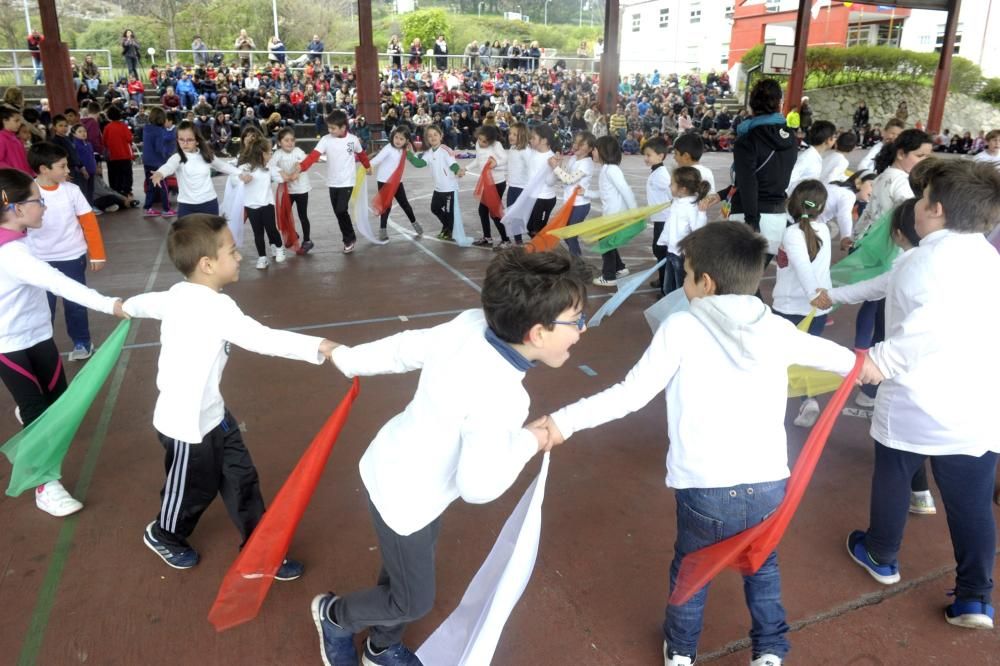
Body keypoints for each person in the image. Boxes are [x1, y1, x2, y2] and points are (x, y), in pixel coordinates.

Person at [539, 221, 857, 666]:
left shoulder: (681, 328)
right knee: (761, 568)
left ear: (705, 283)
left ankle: (682, 651)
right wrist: (875, 366)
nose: (684, 284)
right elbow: (847, 362)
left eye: (686, 275)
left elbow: (630, 394)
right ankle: (769, 651)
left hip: (704, 486)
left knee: (693, 568)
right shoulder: (776, 329)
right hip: (769, 484)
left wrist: (562, 421)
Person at [311, 247, 588, 666]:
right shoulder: (503, 396)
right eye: (576, 321)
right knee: (413, 601)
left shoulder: (473, 324)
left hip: (402, 470)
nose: (582, 330)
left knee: (402, 575)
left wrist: (348, 358)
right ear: (537, 333)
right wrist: (529, 440)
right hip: (406, 495)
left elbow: (405, 348)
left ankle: (380, 646)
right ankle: (335, 617)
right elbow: (478, 487)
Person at [122, 214, 336, 572]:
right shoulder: (214, 307)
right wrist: (321, 346)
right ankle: (164, 533)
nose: (240, 257)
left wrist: (124, 306)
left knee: (242, 478)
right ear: (207, 265)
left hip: (215, 415)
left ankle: (260, 548)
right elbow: (263, 338)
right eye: (232, 251)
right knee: (193, 490)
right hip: (185, 425)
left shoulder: (180, 293)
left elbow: (147, 303)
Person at [847, 159, 1000, 630]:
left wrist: (879, 363)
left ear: (933, 209)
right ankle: (975, 597)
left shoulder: (924, 260)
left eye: (922, 197)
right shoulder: (987, 257)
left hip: (916, 400)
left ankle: (881, 552)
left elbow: (930, 328)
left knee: (894, 471)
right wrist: (832, 293)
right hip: (976, 404)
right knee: (971, 501)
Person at [0, 167, 125, 516]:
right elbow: (61, 284)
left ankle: (32, 414)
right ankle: (44, 483)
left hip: (38, 334)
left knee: (57, 402)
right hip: (7, 344)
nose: (44, 206)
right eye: (38, 201)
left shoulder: (19, 238)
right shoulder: (12, 254)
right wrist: (110, 305)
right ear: (16, 209)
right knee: (38, 412)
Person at [812, 198, 937, 515]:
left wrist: (831, 296)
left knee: (898, 446)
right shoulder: (955, 262)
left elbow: (870, 288)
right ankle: (921, 492)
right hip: (931, 368)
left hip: (903, 363)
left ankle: (884, 544)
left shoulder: (910, 264)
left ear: (896, 234)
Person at [26, 142, 106, 361]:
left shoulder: (72, 190)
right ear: (44, 169)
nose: (68, 170)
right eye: (62, 166)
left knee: (75, 303)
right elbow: (7, 207)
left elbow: (89, 222)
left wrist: (97, 254)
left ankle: (82, 342)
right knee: (43, 308)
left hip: (72, 257)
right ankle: (42, 347)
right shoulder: (25, 190)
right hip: (38, 260)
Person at [771, 179, 832, 428]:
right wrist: (816, 297)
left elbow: (801, 265)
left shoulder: (793, 233)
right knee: (806, 354)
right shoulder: (824, 229)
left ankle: (774, 405)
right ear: (822, 207)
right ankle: (810, 401)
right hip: (816, 310)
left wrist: (812, 293)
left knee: (779, 358)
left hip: (790, 307)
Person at [728, 79, 797, 260]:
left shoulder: (747, 139)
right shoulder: (791, 138)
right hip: (776, 217)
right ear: (779, 104)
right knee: (751, 282)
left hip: (749, 216)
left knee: (738, 283)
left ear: (751, 105)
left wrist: (751, 221)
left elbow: (748, 182)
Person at [297, 110, 372, 253]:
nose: (330, 130)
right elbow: (314, 156)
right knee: (338, 213)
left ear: (343, 127)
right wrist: (302, 167)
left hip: (348, 182)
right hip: (332, 182)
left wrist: (367, 166)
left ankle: (348, 238)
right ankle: (349, 235)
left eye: (333, 128)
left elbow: (361, 154)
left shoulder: (353, 140)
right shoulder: (326, 139)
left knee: (341, 209)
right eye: (329, 128)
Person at [152, 121, 248, 217]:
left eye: (189, 140)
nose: (185, 143)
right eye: (181, 139)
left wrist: (240, 173)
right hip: (186, 206)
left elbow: (222, 166)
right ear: (177, 140)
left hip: (209, 204)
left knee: (211, 232)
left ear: (197, 141)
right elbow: (168, 166)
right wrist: (160, 173)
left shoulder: (206, 155)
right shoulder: (177, 157)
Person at [655, 165, 709, 296]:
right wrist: (664, 241)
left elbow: (698, 230)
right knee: (668, 288)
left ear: (683, 189)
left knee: (681, 289)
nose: (669, 186)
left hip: (682, 255)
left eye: (672, 184)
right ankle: (671, 308)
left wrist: (702, 213)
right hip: (671, 251)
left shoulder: (691, 206)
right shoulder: (678, 201)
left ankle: (682, 310)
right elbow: (671, 224)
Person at [591, 136, 636, 287]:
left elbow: (625, 190)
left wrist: (634, 212)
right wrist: (585, 193)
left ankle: (609, 276)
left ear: (603, 151)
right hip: (610, 215)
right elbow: (604, 193)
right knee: (608, 242)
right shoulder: (606, 169)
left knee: (605, 244)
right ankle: (620, 268)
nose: (592, 152)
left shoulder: (612, 170)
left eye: (595, 149)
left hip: (614, 216)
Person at [406, 124, 464, 240]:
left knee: (449, 213)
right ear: (427, 139)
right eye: (429, 136)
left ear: (441, 136)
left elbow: (452, 163)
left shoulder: (445, 150)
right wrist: (409, 154)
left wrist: (457, 170)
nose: (433, 137)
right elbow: (420, 164)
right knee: (435, 208)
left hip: (449, 188)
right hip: (438, 188)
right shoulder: (429, 153)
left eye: (435, 135)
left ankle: (448, 230)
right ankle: (447, 227)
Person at [236, 134, 284, 269]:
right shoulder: (245, 167)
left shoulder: (269, 167)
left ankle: (280, 248)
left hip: (267, 204)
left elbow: (281, 178)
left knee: (271, 229)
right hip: (251, 206)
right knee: (258, 233)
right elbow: (236, 177)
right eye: (270, 152)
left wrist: (291, 173)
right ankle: (262, 257)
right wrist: (242, 177)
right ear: (262, 154)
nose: (271, 155)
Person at [269, 128, 314, 253]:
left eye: (292, 140)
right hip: (287, 190)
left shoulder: (298, 151)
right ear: (279, 142)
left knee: (302, 215)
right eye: (286, 140)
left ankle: (307, 240)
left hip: (301, 189)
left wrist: (297, 168)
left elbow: (305, 161)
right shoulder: (278, 154)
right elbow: (271, 165)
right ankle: (292, 234)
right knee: (284, 215)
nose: (290, 143)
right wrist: (281, 172)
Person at [552, 131, 597, 257]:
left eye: (582, 144)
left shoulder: (587, 164)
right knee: (565, 233)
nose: (576, 146)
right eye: (576, 142)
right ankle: (576, 256)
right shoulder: (572, 159)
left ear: (590, 149)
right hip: (569, 203)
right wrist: (559, 163)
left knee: (570, 235)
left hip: (580, 205)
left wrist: (555, 167)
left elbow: (569, 179)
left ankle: (577, 261)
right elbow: (563, 176)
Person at [469, 125, 506, 247]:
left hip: (497, 183)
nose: (481, 142)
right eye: (479, 139)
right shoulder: (478, 144)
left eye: (484, 141)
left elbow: (505, 159)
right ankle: (487, 237)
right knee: (483, 211)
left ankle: (506, 240)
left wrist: (496, 163)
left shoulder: (496, 145)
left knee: (494, 212)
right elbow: (478, 160)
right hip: (487, 183)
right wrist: (466, 168)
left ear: (491, 141)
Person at [643, 137, 672, 291]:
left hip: (664, 219)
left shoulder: (661, 175)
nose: (646, 158)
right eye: (645, 155)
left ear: (660, 156)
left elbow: (672, 193)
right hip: (659, 218)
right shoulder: (656, 172)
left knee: (660, 250)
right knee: (659, 250)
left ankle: (666, 285)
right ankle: (663, 279)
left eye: (649, 155)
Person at [786, 120, 836, 195]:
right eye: (834, 137)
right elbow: (790, 180)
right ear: (827, 140)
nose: (836, 139)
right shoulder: (807, 157)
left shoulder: (815, 155)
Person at [101, 106, 135, 203]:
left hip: (113, 156)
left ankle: (116, 193)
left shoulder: (107, 127)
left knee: (114, 175)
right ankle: (127, 191)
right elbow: (129, 139)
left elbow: (104, 142)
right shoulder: (123, 126)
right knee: (126, 175)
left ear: (108, 116)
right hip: (125, 155)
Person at [0, 106, 32, 175]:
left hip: (24, 177)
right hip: (14, 180)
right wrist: (14, 172)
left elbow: (24, 160)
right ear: (5, 120)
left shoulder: (15, 138)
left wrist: (31, 173)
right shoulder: (1, 138)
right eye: (16, 120)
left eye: (20, 120)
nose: (19, 123)